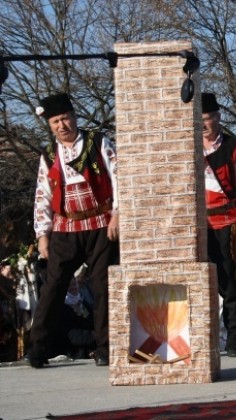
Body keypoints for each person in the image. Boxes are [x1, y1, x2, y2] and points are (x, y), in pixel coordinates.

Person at [28, 92, 118, 368]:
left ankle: (106, 348)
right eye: (55, 122)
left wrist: (118, 213)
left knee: (103, 287)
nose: (61, 126)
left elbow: (120, 177)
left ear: (74, 117)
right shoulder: (48, 155)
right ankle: (38, 349)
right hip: (65, 227)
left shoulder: (99, 143)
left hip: (100, 224)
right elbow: (42, 195)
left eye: (65, 118)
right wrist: (42, 234)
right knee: (53, 287)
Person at [201, 92, 236, 357]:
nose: (203, 124)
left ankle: (235, 339)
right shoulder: (187, 147)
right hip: (199, 226)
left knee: (229, 284)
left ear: (217, 118)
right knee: (201, 285)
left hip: (228, 222)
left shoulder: (234, 147)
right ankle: (204, 342)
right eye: (198, 119)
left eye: (208, 118)